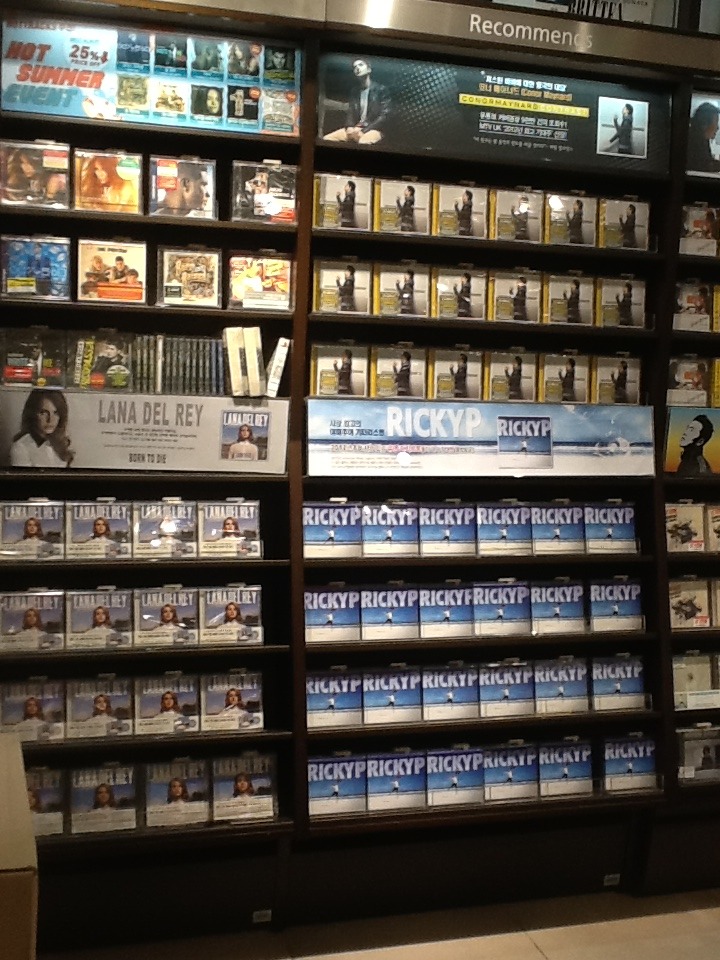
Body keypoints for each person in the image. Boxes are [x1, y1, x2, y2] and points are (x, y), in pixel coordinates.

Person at [323, 58, 391, 145]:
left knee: (363, 142)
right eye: (355, 67)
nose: (357, 68)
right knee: (327, 139)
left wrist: (364, 130)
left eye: (361, 65)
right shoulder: (355, 91)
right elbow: (350, 111)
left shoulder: (381, 90)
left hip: (373, 129)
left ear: (369, 69)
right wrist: (349, 126)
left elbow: (384, 116)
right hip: (356, 128)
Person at [10, 390, 74, 468]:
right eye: (44, 413)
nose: (50, 420)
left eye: (55, 413)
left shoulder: (60, 442)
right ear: (32, 414)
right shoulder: (21, 447)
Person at [1, 146, 68, 205]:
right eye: (21, 163)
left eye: (25, 162)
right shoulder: (34, 186)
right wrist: (49, 195)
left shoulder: (53, 163)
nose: (24, 167)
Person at [688, 102, 720, 173]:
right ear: (704, 124)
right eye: (716, 122)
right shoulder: (691, 141)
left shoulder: (702, 139)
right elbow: (704, 166)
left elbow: (708, 162)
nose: (717, 127)